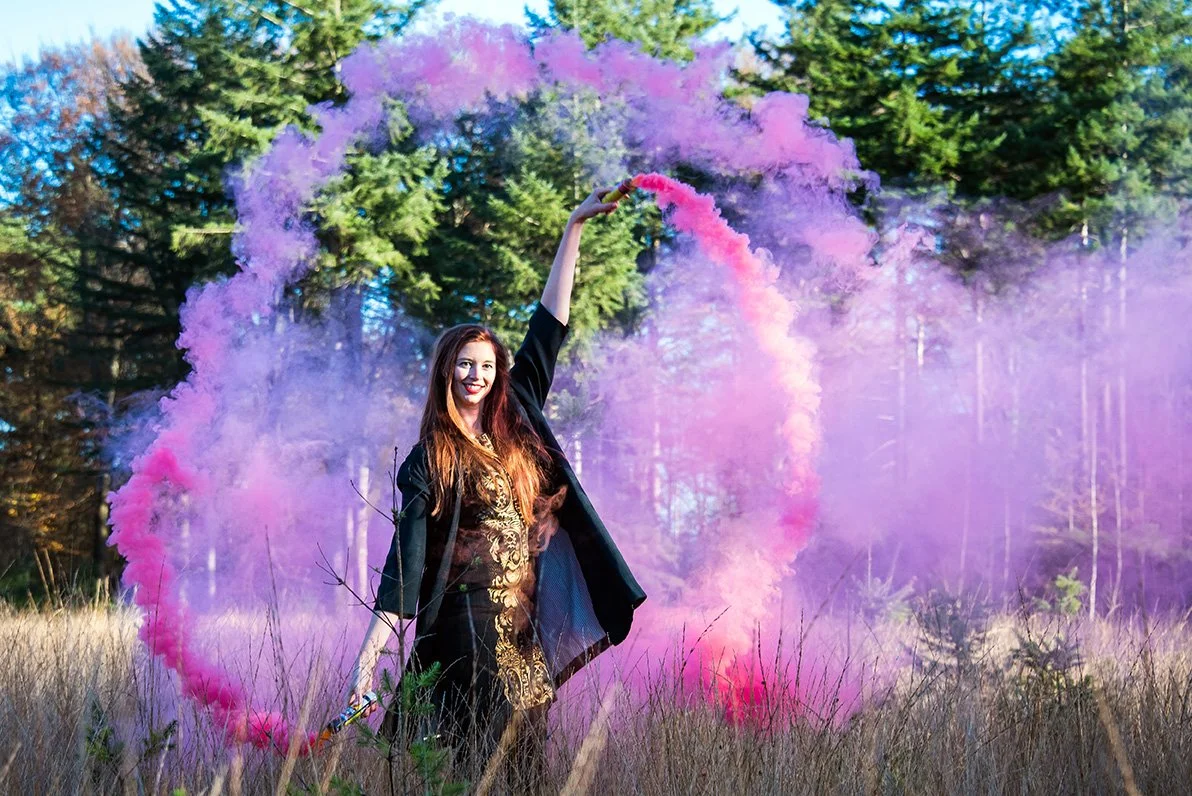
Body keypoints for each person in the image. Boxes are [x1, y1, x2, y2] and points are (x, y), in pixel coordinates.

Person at [346, 186, 647, 782]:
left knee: (529, 769)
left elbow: (549, 327)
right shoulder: (432, 458)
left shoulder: (518, 419)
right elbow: (403, 565)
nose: (476, 375)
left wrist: (573, 229)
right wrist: (366, 664)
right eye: (464, 363)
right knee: (483, 764)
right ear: (445, 372)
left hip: (522, 632)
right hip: (467, 630)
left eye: (486, 365)